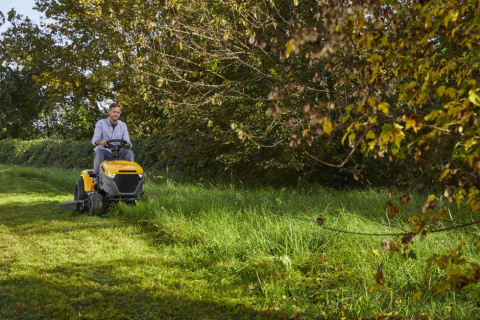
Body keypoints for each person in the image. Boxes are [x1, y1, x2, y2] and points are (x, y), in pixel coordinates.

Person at [91, 103, 134, 177]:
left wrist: (128, 144)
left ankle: (130, 176)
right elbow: (95, 140)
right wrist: (101, 142)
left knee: (129, 152)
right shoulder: (101, 123)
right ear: (109, 112)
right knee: (99, 152)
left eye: (118, 112)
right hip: (105, 151)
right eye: (114, 112)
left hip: (118, 151)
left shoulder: (123, 125)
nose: (116, 114)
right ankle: (97, 177)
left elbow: (128, 141)